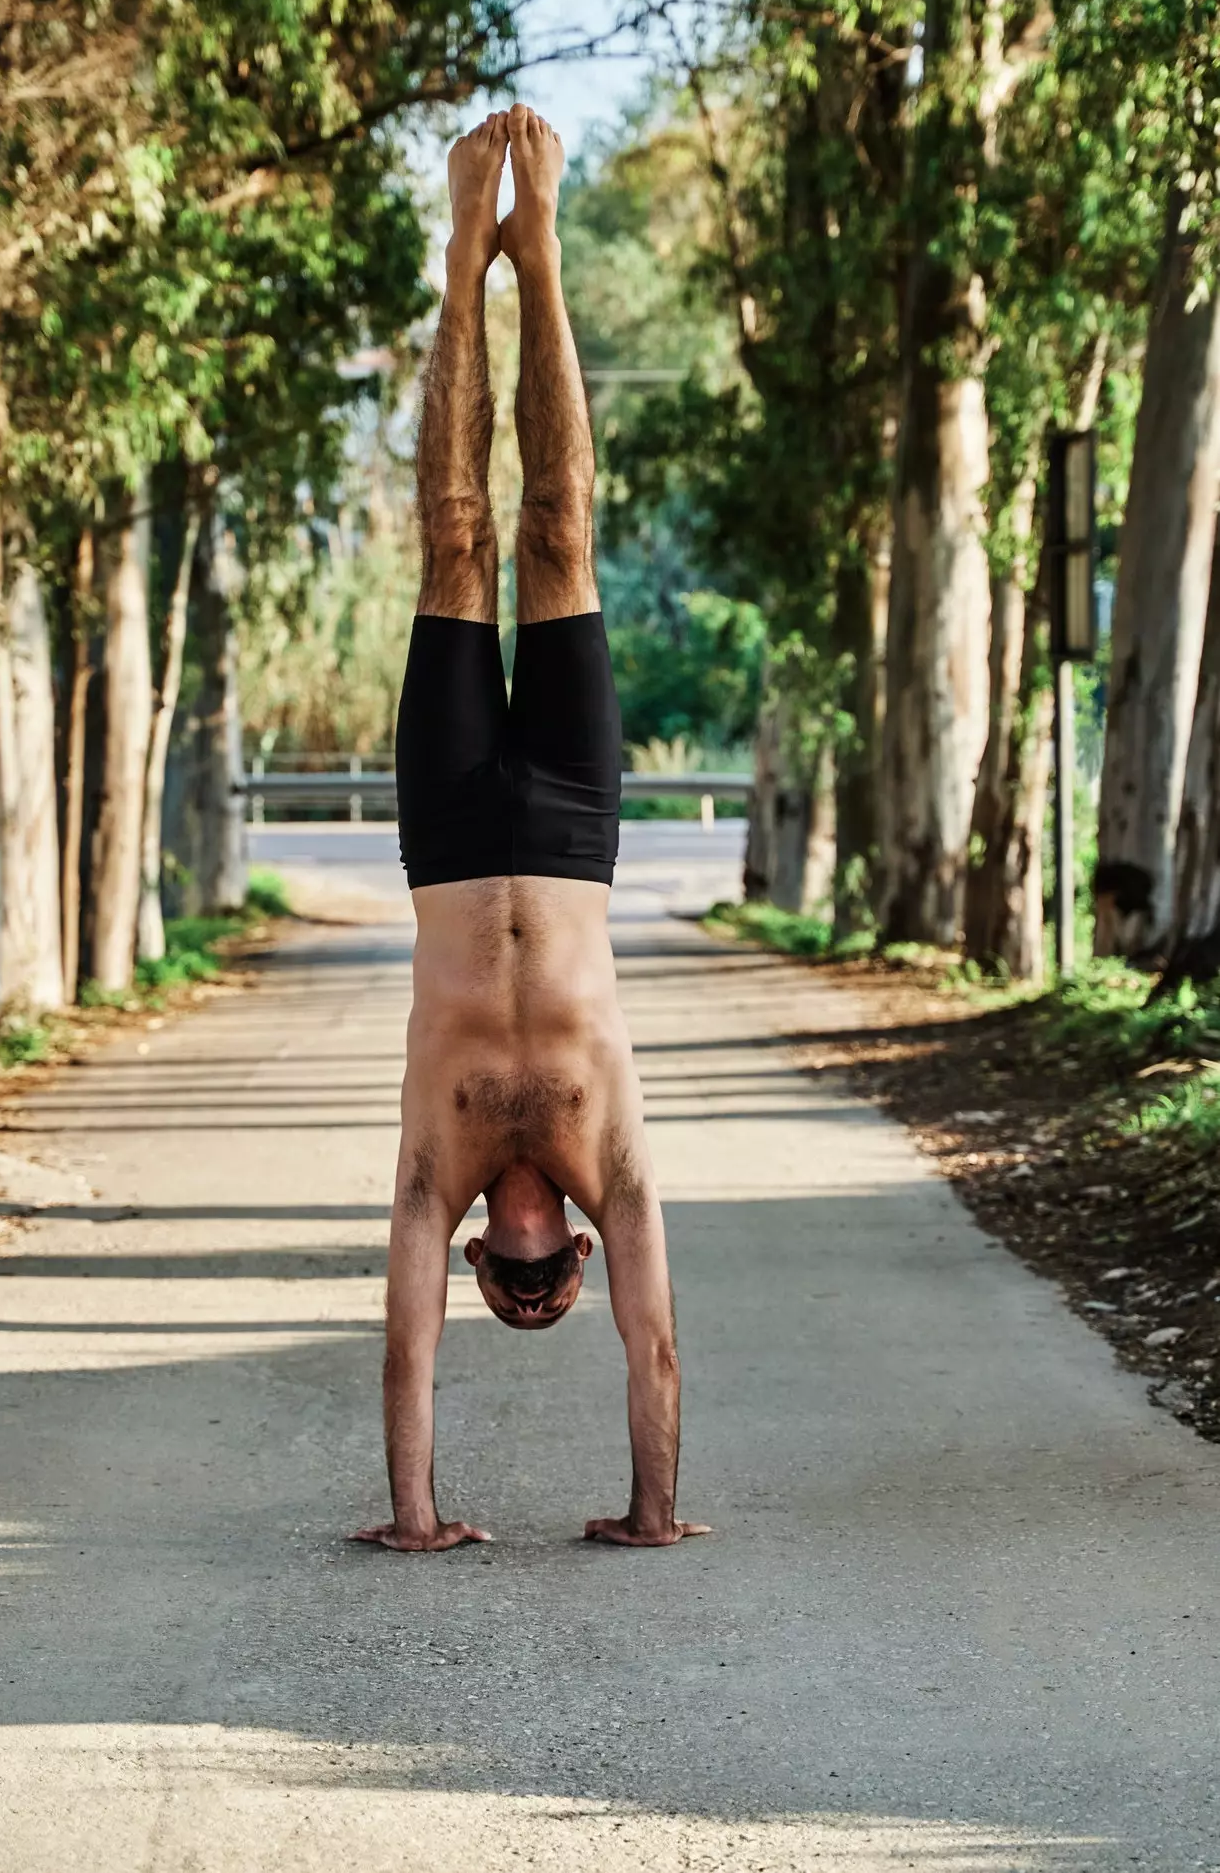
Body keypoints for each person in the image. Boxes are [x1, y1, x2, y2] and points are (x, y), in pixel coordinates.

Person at [354, 105, 708, 1553]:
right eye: (537, 1276)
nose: (520, 1268)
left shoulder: (433, 1173)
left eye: (510, 1283)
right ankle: (537, 253)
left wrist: (415, 1518)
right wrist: (654, 1514)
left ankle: (465, 257)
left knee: (456, 528)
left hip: (444, 834)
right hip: (570, 830)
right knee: (556, 527)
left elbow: (403, 1350)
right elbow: (659, 1351)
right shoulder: (607, 1163)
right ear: (562, 1247)